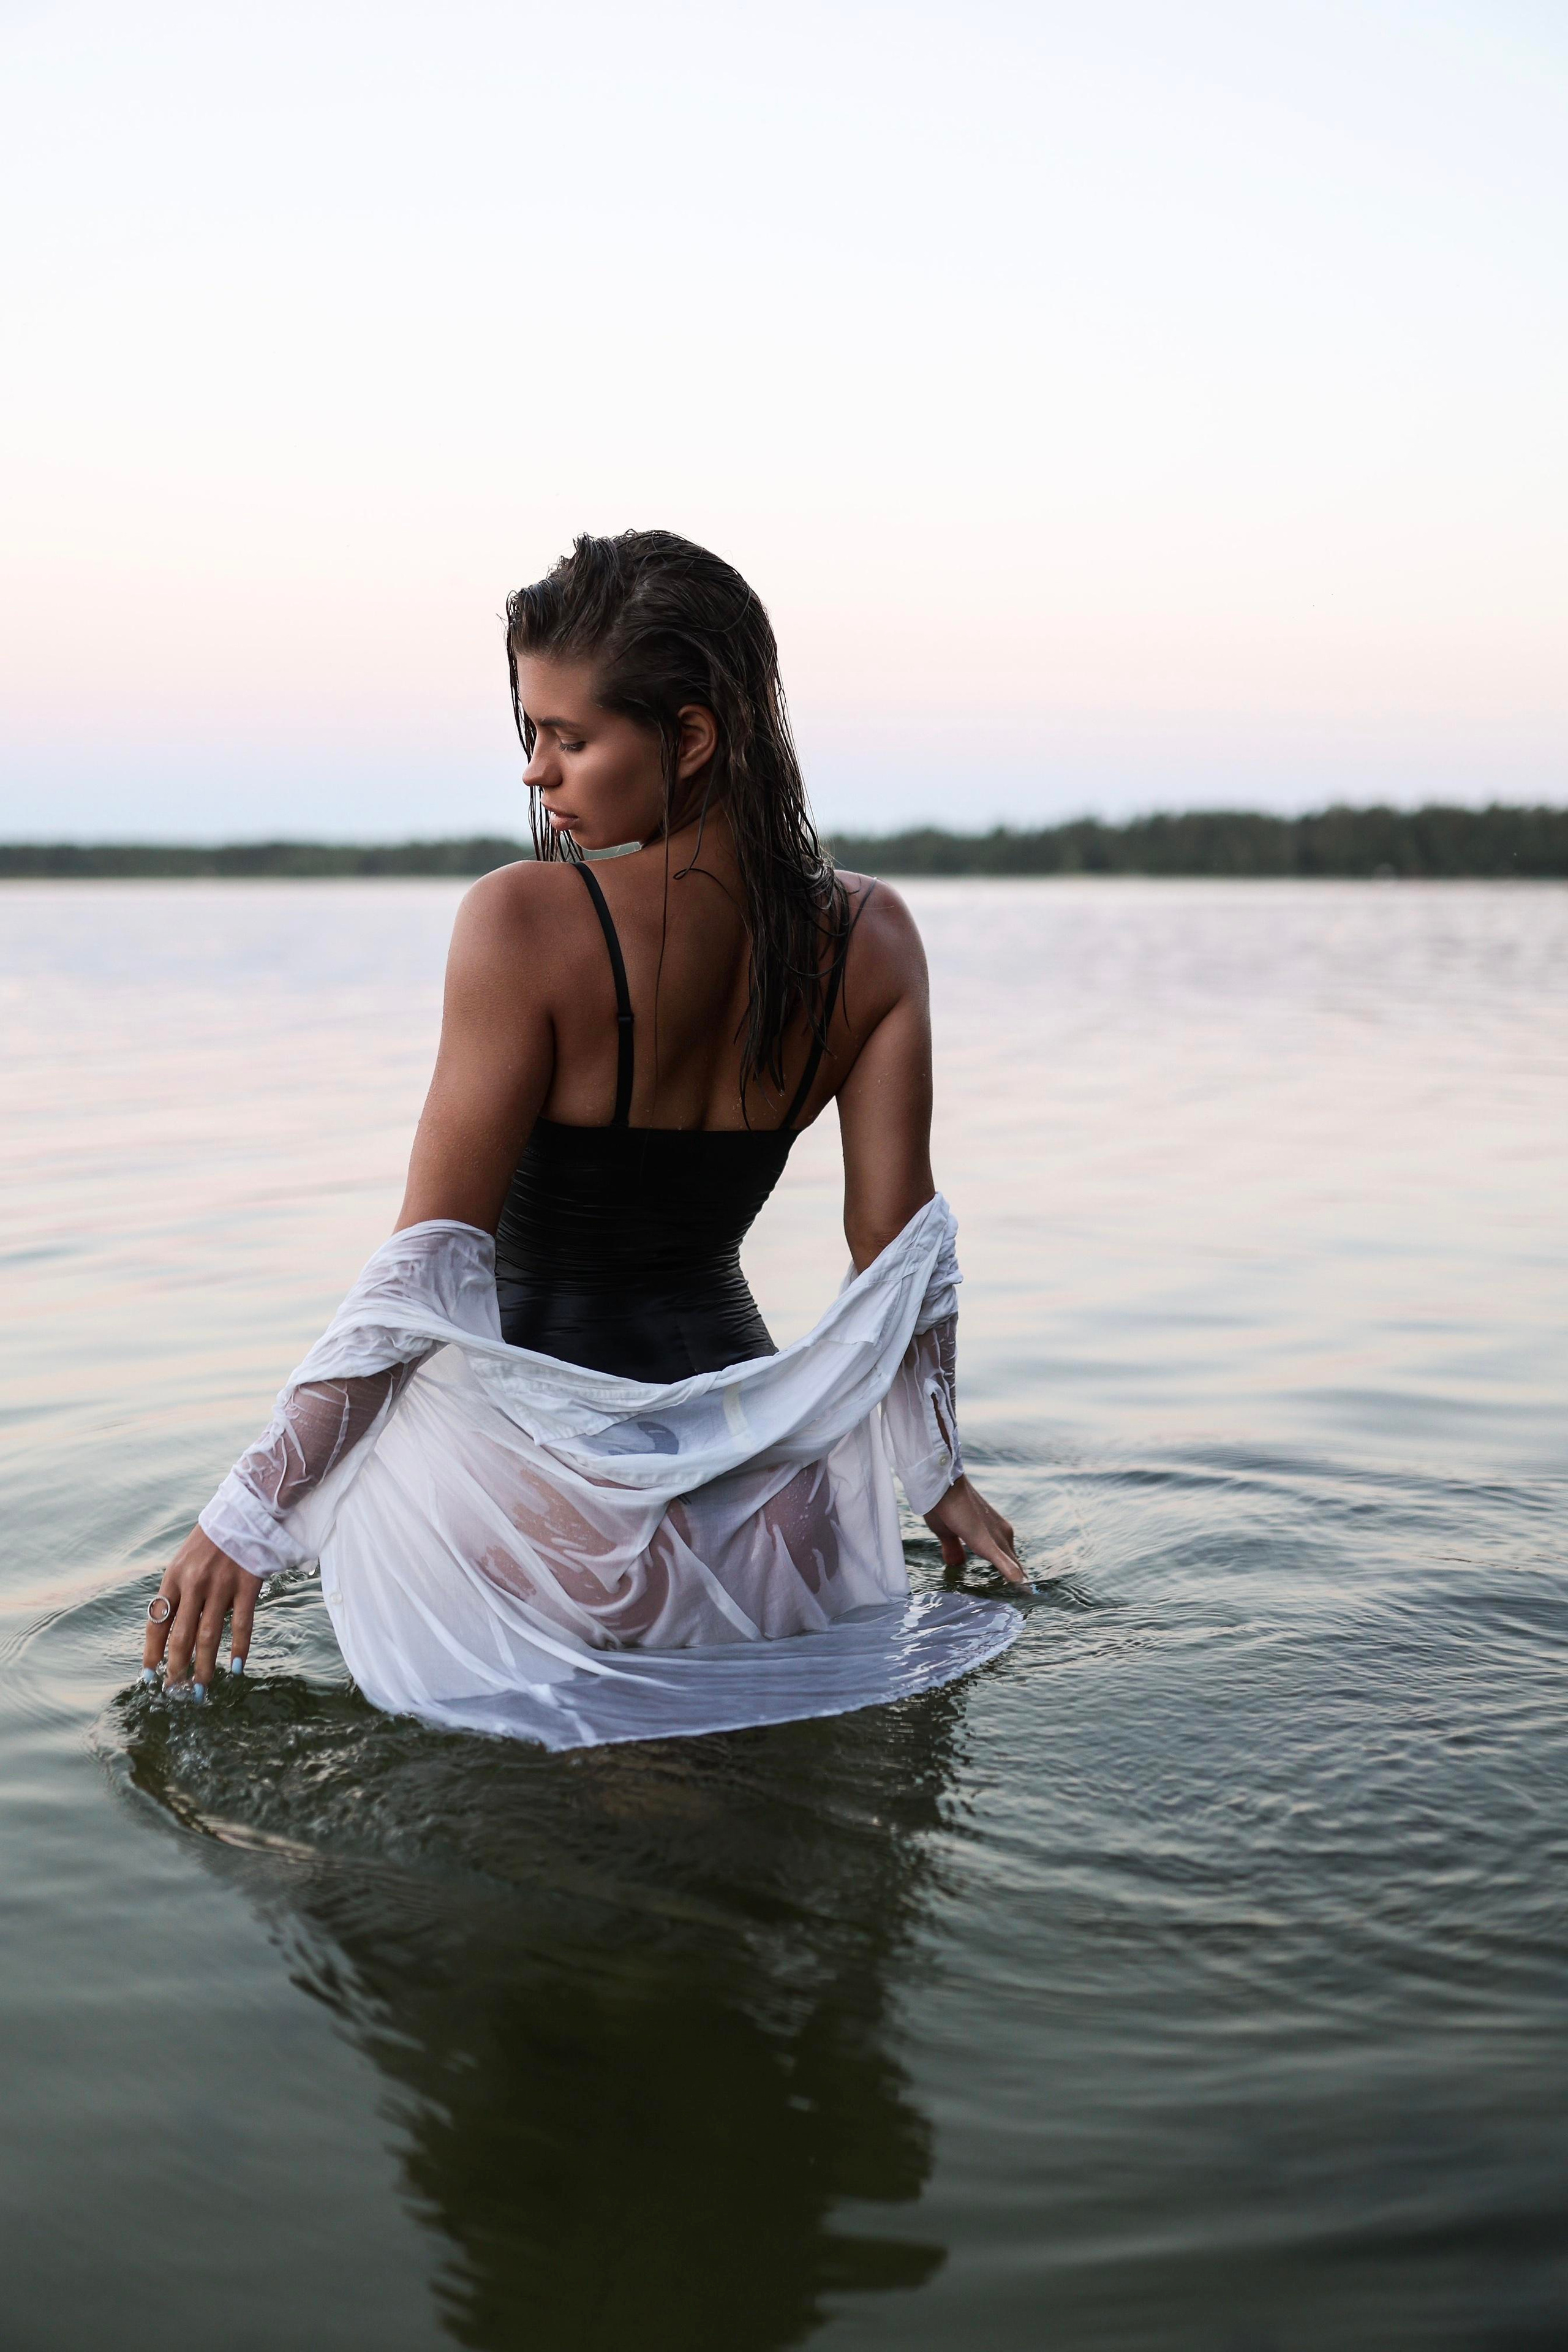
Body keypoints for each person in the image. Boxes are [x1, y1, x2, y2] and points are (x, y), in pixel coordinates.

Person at [138, 531, 1023, 1747]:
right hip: (758, 1492)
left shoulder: (521, 920)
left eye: (569, 738)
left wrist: (248, 1514)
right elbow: (900, 1250)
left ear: (692, 738)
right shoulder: (873, 937)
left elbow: (426, 1272)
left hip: (538, 1496)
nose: (536, 777)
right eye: (528, 733)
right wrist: (935, 1482)